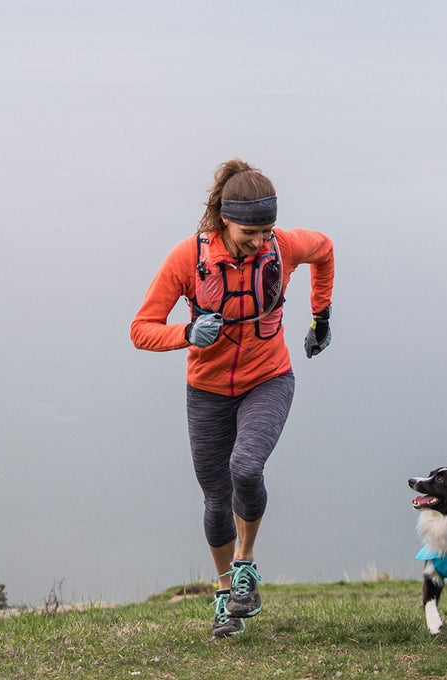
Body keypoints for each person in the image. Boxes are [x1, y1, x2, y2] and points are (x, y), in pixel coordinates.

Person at [130, 159, 334, 638]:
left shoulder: (283, 247)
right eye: (250, 232)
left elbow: (324, 250)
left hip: (269, 378)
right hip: (207, 391)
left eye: (267, 231)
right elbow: (140, 329)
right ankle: (225, 597)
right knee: (216, 499)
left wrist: (320, 317)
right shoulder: (189, 258)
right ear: (225, 219)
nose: (261, 242)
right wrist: (186, 333)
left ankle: (245, 566)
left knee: (245, 467)